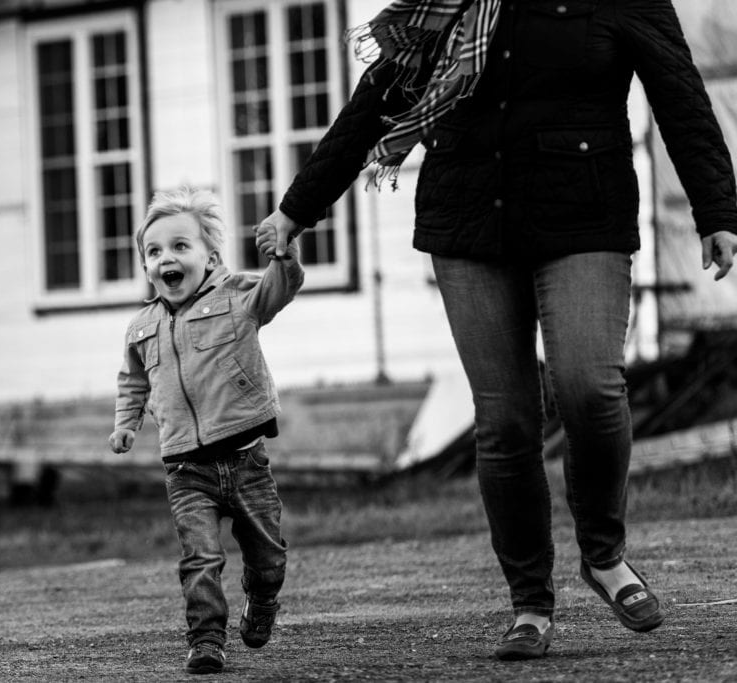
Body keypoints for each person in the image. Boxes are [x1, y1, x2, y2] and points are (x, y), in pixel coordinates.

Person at [255, 0, 737, 661]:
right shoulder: (440, 3)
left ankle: (603, 552)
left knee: (589, 387)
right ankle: (530, 601)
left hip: (584, 218)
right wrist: (296, 209)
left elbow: (679, 93)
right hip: (468, 222)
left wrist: (717, 209)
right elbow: (375, 103)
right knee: (505, 420)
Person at [110, 187, 304, 674]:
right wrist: (126, 425)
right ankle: (206, 640)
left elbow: (281, 287)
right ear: (146, 267)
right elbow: (133, 381)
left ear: (210, 256)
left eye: (180, 246)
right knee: (200, 559)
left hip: (245, 459)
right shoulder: (141, 327)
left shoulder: (238, 297)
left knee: (269, 557)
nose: (165, 259)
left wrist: (284, 253)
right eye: (153, 252)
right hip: (185, 468)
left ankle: (261, 601)